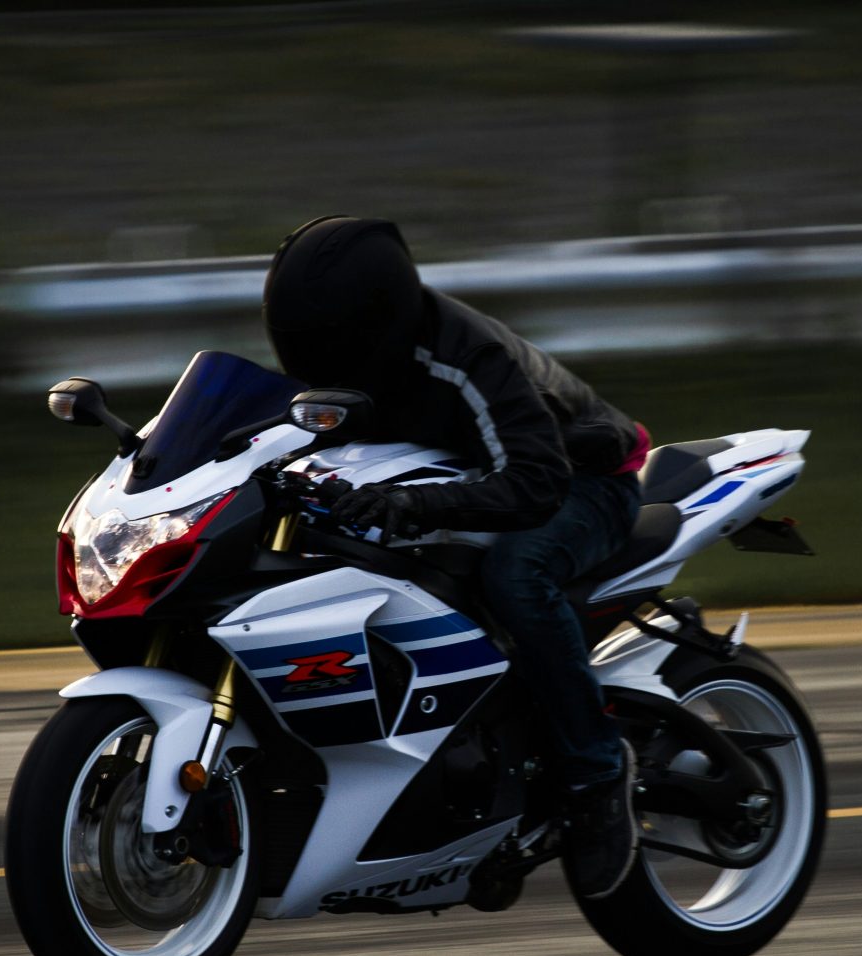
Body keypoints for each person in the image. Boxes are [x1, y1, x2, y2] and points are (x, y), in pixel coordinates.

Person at [263, 215, 649, 898]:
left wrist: (416, 508)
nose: (308, 355)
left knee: (516, 576)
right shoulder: (341, 361)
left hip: (585, 479)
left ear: (370, 322)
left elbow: (536, 482)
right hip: (472, 477)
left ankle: (596, 772)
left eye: (322, 339)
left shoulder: (463, 358)